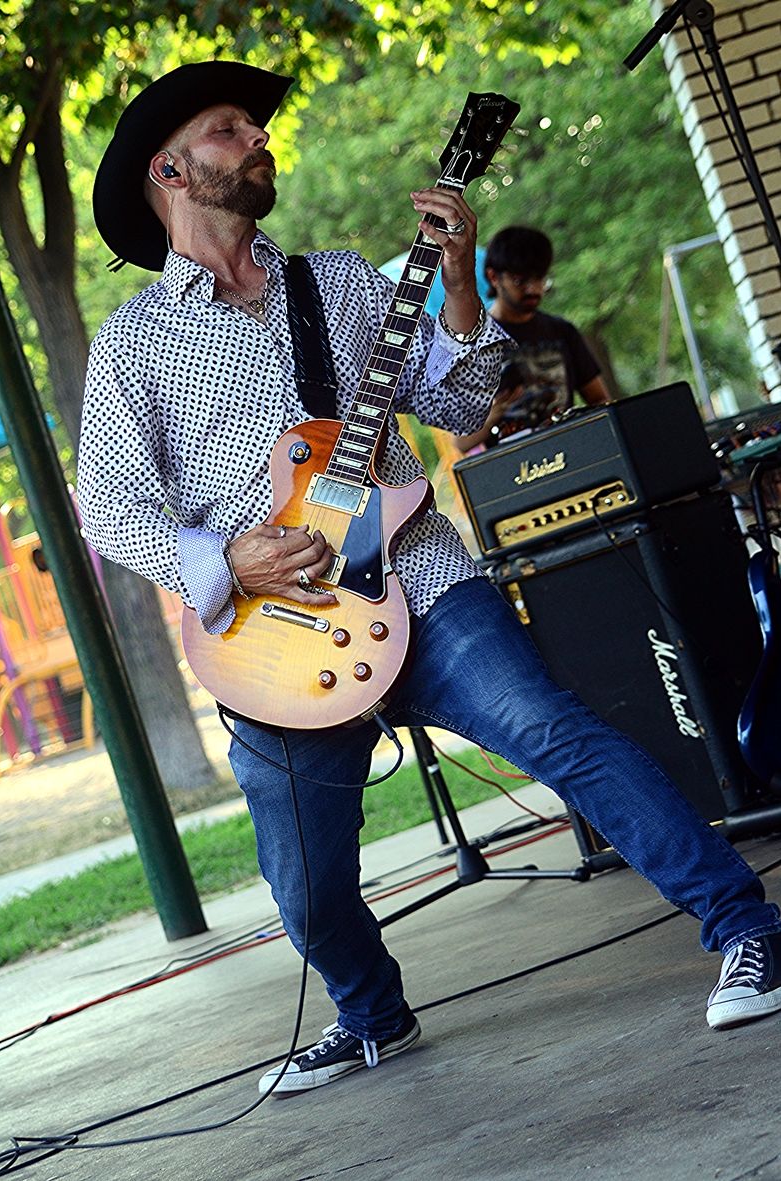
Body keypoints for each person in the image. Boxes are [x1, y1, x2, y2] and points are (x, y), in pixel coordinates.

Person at [80, 60, 781, 1101]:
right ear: (170, 169)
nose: (259, 139)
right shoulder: (134, 343)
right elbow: (109, 508)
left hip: (420, 576)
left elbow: (456, 409)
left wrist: (458, 286)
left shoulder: (339, 280)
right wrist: (228, 559)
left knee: (557, 733)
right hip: (271, 631)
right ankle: (372, 1015)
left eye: (256, 127)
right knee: (304, 888)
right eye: (230, 129)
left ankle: (745, 925)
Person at [453, 225, 609, 452]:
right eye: (520, 281)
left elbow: (600, 400)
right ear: (493, 277)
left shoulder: (562, 331)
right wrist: (492, 416)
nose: (533, 290)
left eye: (540, 279)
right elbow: (461, 442)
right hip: (513, 464)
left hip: (571, 453)